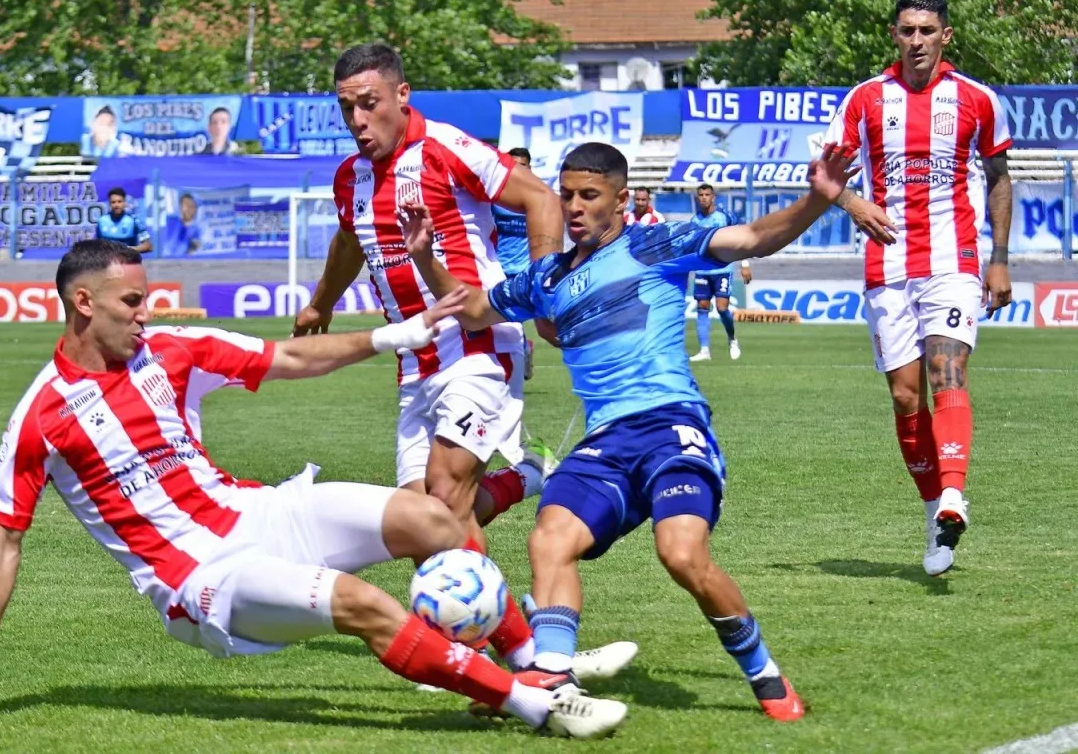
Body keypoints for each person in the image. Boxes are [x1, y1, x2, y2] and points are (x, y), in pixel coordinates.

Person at [0, 240, 627, 739]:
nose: (145, 312)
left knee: (432, 519)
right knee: (363, 603)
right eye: (131, 301)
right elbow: (3, 539)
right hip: (201, 580)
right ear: (82, 303)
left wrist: (392, 337)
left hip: (256, 512)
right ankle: (532, 706)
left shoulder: (171, 352)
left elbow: (286, 355)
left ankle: (533, 663)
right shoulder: (41, 415)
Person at [400, 141, 860, 721]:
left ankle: (764, 673)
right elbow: (471, 311)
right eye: (565, 194)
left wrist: (819, 200)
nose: (572, 207)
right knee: (549, 538)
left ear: (620, 200)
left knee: (682, 556)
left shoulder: (656, 243)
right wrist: (423, 257)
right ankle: (553, 670)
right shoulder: (547, 277)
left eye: (588, 195)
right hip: (604, 445)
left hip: (671, 427)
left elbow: (752, 239)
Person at [295, 43, 632, 684]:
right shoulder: (351, 178)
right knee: (426, 521)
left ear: (401, 95)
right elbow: (349, 239)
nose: (359, 120)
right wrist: (320, 304)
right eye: (347, 110)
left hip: (477, 346)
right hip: (414, 361)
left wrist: (542, 292)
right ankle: (530, 627)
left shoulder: (446, 147)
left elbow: (539, 197)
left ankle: (527, 661)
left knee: (447, 498)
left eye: (369, 104)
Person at [824, 0, 1013, 576]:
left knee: (946, 372)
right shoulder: (864, 100)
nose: (917, 40)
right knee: (906, 396)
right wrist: (855, 204)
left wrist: (999, 257)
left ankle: (954, 492)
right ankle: (936, 513)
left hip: (953, 263)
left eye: (927, 30)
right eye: (907, 30)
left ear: (945, 36)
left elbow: (1001, 177)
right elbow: (825, 175)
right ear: (894, 35)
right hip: (887, 269)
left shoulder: (977, 99)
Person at [688, 184, 752, 362]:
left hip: (722, 268)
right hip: (702, 270)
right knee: (702, 307)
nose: (703, 198)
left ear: (713, 197)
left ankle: (732, 339)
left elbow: (740, 238)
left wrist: (744, 264)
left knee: (722, 308)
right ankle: (704, 350)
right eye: (700, 195)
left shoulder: (725, 217)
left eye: (707, 194)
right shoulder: (695, 221)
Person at [491, 147, 536, 378]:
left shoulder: (538, 196)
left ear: (530, 167)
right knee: (498, 321)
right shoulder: (496, 197)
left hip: (524, 270)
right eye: (513, 164)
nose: (518, 169)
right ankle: (519, 355)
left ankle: (518, 358)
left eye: (523, 165)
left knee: (513, 318)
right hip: (497, 267)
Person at [94, 187, 152, 254]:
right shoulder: (102, 221)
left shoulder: (134, 221)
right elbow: (97, 245)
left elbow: (148, 246)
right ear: (109, 204)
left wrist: (128, 250)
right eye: (113, 202)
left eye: (119, 202)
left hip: (128, 261)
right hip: (108, 262)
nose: (116, 205)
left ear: (125, 203)